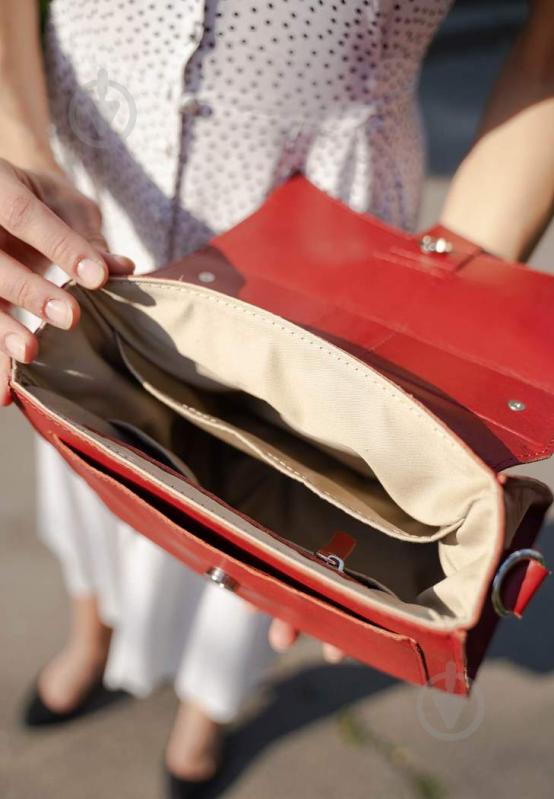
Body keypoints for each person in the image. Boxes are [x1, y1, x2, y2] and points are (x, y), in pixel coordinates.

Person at [0, 0, 552, 795]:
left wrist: (433, 318)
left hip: (335, 273)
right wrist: (18, 142)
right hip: (81, 195)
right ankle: (94, 640)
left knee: (273, 555)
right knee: (98, 462)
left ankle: (207, 708)